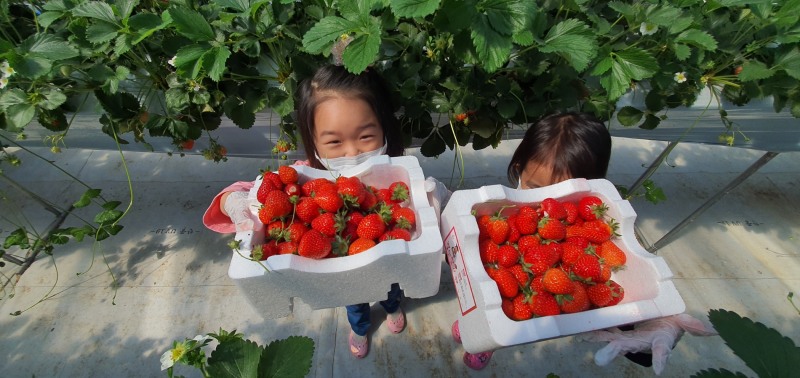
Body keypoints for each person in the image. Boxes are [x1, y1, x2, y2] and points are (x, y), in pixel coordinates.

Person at [445, 112, 715, 372]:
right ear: (519, 169)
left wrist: (656, 320)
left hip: (525, 308)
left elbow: (627, 278)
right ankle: (479, 338)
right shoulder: (500, 210)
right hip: (491, 287)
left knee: (509, 325)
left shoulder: (590, 227)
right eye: (537, 188)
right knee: (481, 317)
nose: (547, 205)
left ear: (591, 186)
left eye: (562, 196)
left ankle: (486, 341)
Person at [202, 64, 409, 359]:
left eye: (365, 137)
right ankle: (361, 328)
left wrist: (440, 201)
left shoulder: (396, 179)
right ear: (312, 141)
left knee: (390, 292)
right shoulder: (303, 179)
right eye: (334, 141)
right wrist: (234, 203)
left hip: (387, 267)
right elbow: (245, 191)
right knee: (355, 305)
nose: (351, 152)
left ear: (384, 128)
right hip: (342, 277)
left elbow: (435, 203)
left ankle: (392, 309)